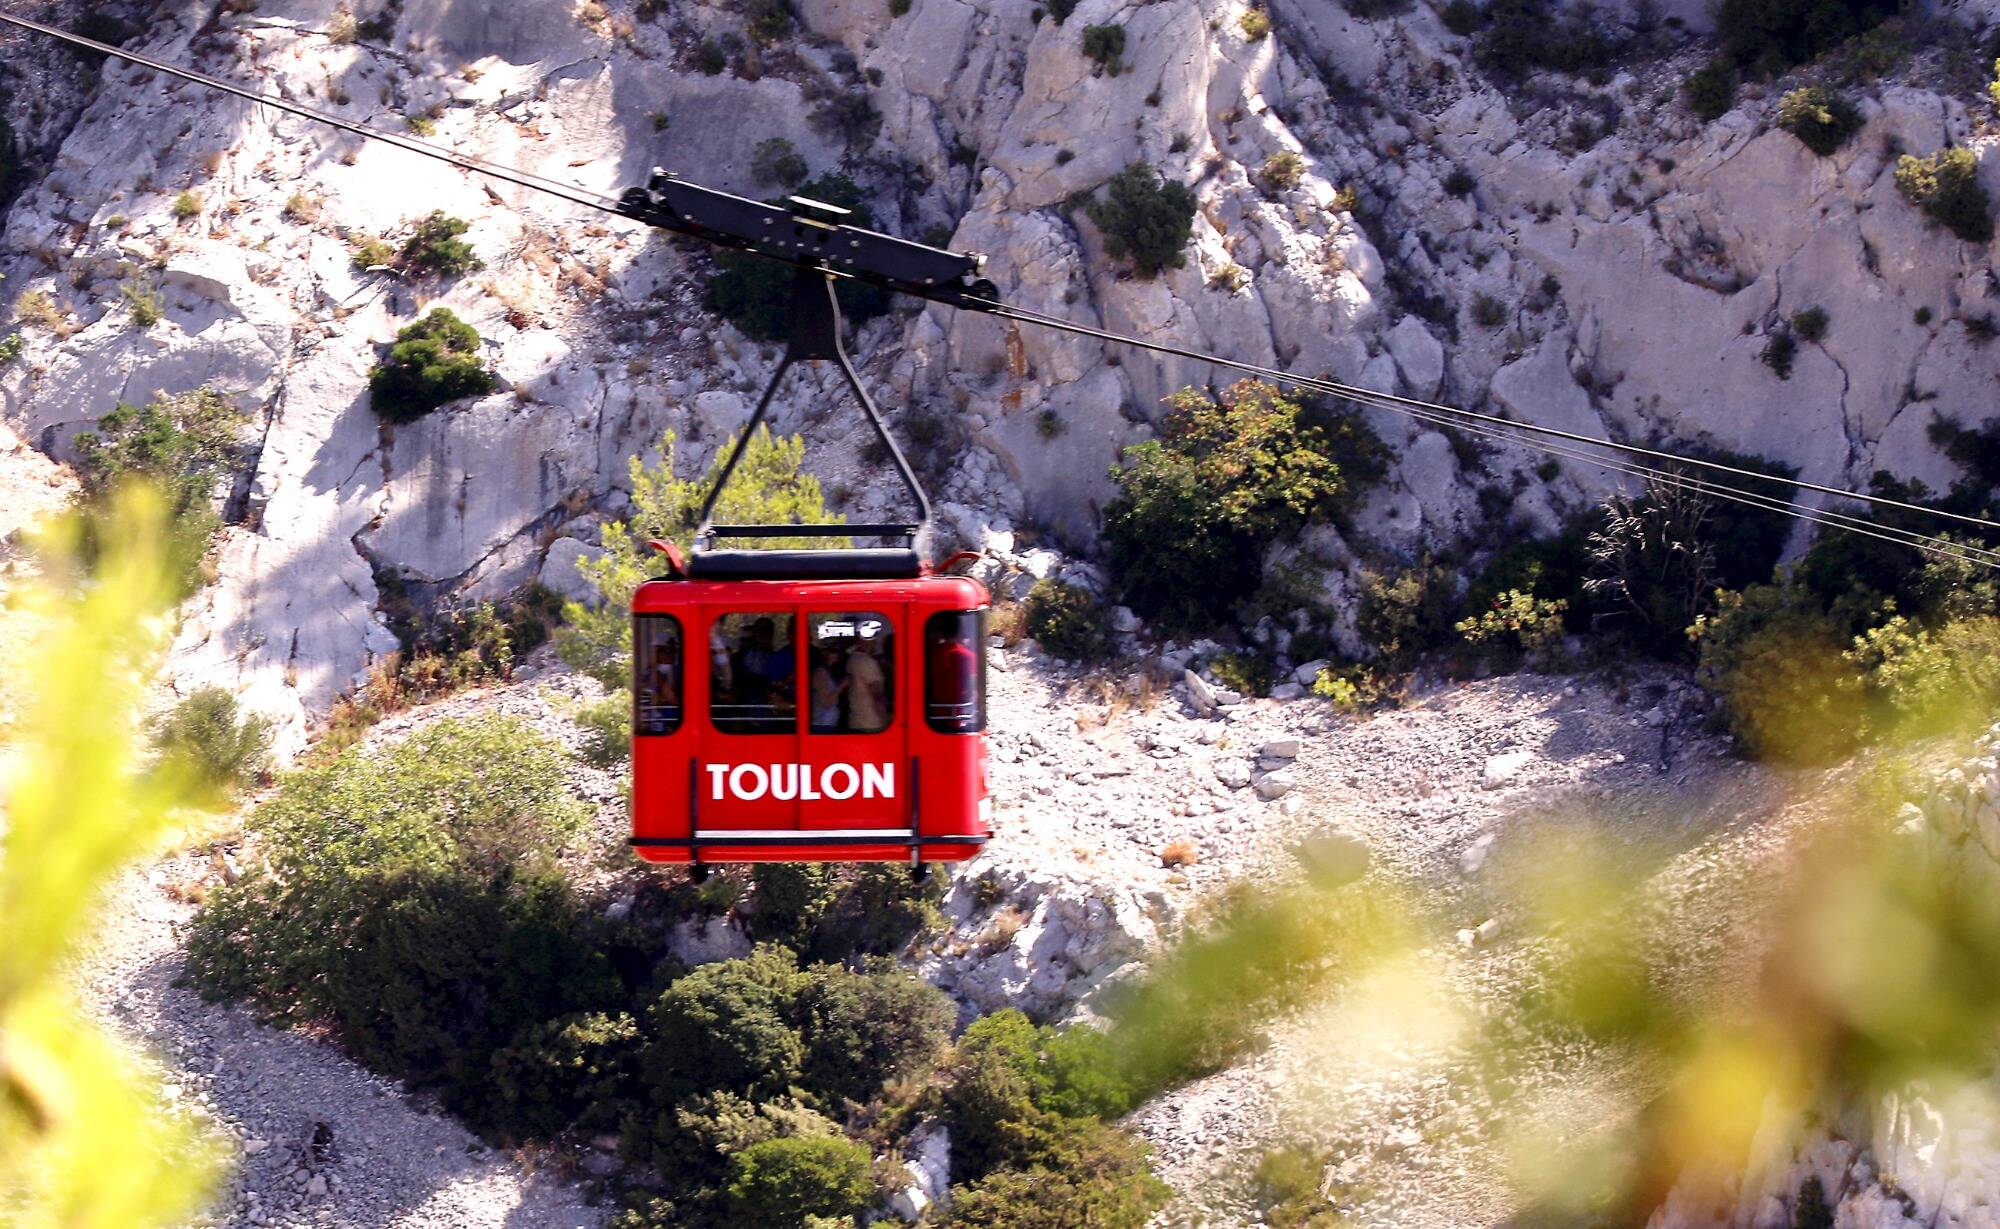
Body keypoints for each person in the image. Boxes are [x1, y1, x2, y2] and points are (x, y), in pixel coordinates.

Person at [844, 635, 887, 732]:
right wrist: (885, 722)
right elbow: (877, 696)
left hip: (855, 721)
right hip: (871, 723)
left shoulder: (852, 659)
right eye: (874, 640)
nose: (876, 643)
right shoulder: (868, 663)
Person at [809, 646, 847, 733]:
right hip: (822, 725)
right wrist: (841, 686)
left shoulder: (828, 672)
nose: (837, 655)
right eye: (833, 652)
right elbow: (825, 703)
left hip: (828, 724)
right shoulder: (820, 673)